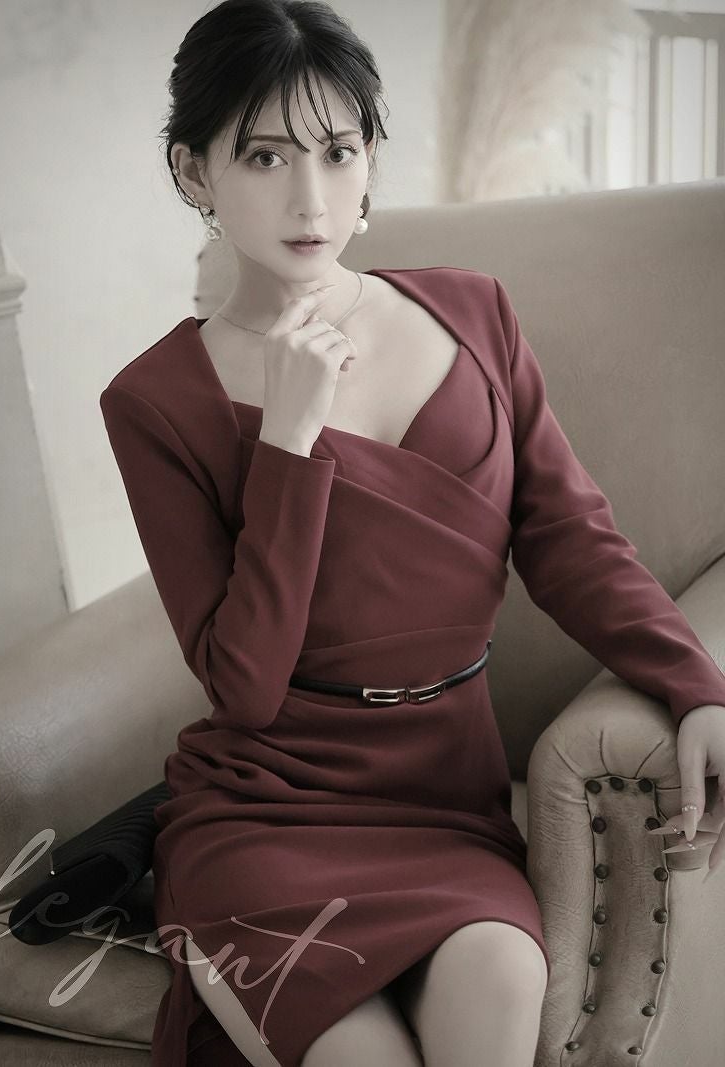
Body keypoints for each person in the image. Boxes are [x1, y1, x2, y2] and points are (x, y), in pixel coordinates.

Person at [99, 2, 725, 1065]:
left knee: (503, 984)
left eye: (338, 151)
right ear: (193, 171)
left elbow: (571, 538)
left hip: (443, 798)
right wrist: (289, 441)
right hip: (268, 810)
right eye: (263, 155)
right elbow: (241, 684)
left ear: (370, 161)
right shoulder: (155, 400)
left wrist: (694, 681)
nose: (310, 197)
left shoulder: (472, 314)